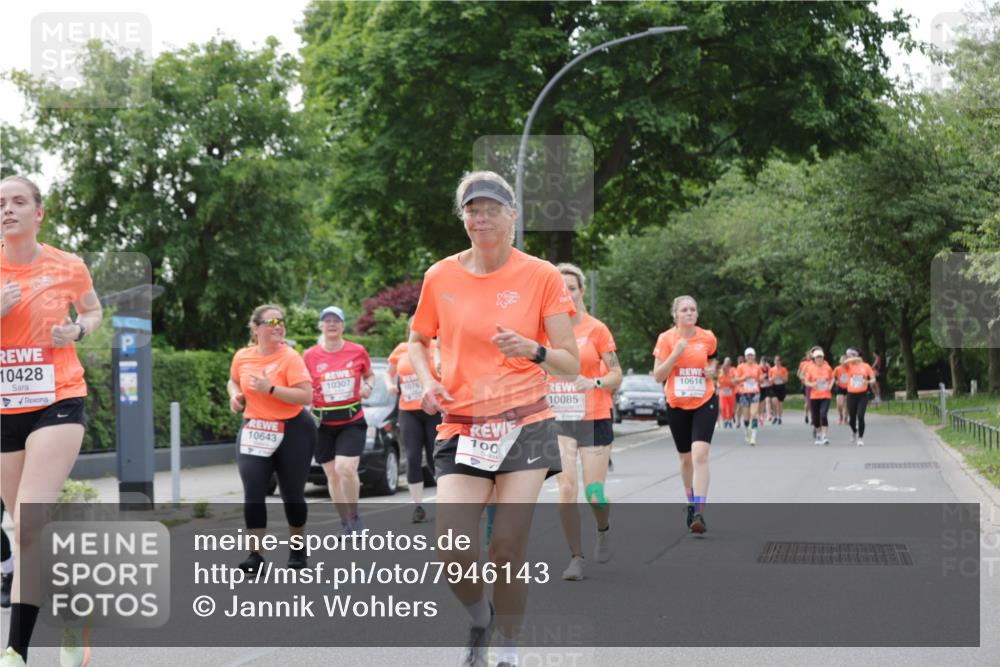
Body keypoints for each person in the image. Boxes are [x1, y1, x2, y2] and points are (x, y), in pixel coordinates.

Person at [408, 171, 578, 667]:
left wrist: (535, 349)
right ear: (463, 217)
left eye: (491, 209)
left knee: (505, 548)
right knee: (453, 548)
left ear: (512, 215)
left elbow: (571, 361)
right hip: (462, 426)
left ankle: (507, 647)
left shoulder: (541, 276)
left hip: (525, 423)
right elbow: (419, 340)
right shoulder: (440, 276)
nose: (481, 218)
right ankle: (481, 617)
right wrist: (427, 379)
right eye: (471, 210)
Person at [1, 176, 103, 667]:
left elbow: (93, 310)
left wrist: (77, 329)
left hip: (58, 399)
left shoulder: (67, 265)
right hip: (4, 408)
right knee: (26, 528)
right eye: (0, 203)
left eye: (19, 201)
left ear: (38, 213)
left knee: (29, 520)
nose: (8, 209)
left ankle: (14, 651)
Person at [228, 304, 315, 573]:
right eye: (271, 321)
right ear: (255, 328)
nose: (278, 326)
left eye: (281, 321)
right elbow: (232, 380)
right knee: (254, 491)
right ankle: (255, 555)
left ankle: (298, 548)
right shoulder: (242, 356)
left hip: (293, 430)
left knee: (292, 494)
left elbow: (306, 397)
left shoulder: (290, 357)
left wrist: (271, 389)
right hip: (255, 429)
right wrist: (235, 395)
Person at [550, 263, 622, 581]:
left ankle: (603, 529)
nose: (566, 293)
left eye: (572, 287)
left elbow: (615, 374)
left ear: (581, 291)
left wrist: (592, 383)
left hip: (594, 416)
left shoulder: (597, 329)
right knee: (566, 487)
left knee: (594, 493)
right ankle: (575, 557)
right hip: (559, 419)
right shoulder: (545, 331)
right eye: (560, 288)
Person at [303, 307, 376, 538]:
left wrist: (368, 387)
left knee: (346, 468)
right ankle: (345, 522)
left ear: (343, 326)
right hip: (323, 423)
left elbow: (370, 375)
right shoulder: (310, 355)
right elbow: (301, 383)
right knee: (332, 475)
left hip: (351, 421)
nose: (331, 324)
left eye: (336, 320)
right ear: (321, 326)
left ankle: (354, 517)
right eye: (327, 320)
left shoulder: (357, 351)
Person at [653, 296, 719, 533]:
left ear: (697, 314)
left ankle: (699, 511)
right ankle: (691, 502)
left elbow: (712, 360)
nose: (689, 313)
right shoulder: (666, 339)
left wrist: (711, 370)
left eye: (693, 309)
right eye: (684, 310)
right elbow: (658, 376)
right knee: (686, 459)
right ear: (676, 315)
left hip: (704, 400)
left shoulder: (707, 337)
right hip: (677, 404)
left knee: (700, 454)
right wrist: (676, 353)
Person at [387, 318, 442, 523]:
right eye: (413, 327)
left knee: (435, 455)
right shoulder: (401, 349)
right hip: (408, 410)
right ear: (408, 330)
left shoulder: (437, 347)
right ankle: (417, 506)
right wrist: (389, 385)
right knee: (412, 457)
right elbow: (389, 374)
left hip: (433, 410)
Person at [843, 348, 877, 446]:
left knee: (861, 416)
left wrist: (868, 381)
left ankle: (860, 438)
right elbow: (843, 363)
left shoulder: (866, 366)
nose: (849, 358)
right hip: (851, 395)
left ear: (856, 355)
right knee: (851, 419)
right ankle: (854, 431)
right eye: (849, 356)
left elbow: (873, 379)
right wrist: (851, 358)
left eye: (851, 355)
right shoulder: (849, 366)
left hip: (862, 395)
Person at [802, 348, 834, 445]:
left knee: (823, 414)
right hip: (814, 396)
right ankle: (819, 434)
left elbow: (832, 378)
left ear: (823, 358)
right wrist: (812, 385)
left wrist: (830, 386)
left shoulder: (827, 367)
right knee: (815, 417)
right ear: (814, 359)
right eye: (817, 357)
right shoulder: (810, 368)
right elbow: (806, 381)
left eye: (820, 357)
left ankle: (824, 436)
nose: (819, 359)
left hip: (825, 395)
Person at [733, 348, 763, 445]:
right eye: (748, 355)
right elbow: (735, 380)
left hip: (755, 392)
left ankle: (753, 436)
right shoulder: (740, 367)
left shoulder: (757, 367)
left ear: (754, 356)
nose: (750, 357)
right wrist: (744, 378)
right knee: (746, 417)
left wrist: (760, 379)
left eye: (752, 355)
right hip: (744, 393)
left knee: (753, 414)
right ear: (745, 357)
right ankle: (746, 430)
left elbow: (760, 379)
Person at [768, 355, 789, 424]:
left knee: (780, 403)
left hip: (781, 387)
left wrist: (781, 377)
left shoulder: (784, 369)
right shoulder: (771, 369)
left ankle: (779, 418)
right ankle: (775, 416)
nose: (777, 362)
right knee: (774, 402)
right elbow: (769, 380)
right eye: (776, 360)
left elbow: (786, 380)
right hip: (774, 387)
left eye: (778, 360)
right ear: (774, 361)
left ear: (780, 361)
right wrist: (773, 378)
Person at [717, 358, 736, 428]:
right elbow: (717, 380)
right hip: (723, 392)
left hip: (731, 391)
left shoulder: (733, 370)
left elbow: (736, 379)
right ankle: (725, 420)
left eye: (728, 362)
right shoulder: (720, 371)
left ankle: (730, 420)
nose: (727, 364)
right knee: (723, 407)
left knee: (731, 407)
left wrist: (733, 381)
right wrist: (718, 384)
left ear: (730, 363)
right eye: (726, 363)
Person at [833, 355, 849, 424]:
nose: (844, 362)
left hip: (848, 388)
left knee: (847, 405)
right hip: (839, 387)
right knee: (839, 404)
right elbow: (832, 377)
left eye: (846, 361)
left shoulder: (850, 368)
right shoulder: (837, 368)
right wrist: (835, 381)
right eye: (843, 361)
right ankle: (840, 416)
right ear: (841, 361)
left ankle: (845, 418)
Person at [759, 357, 772, 424]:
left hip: (767, 387)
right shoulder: (758, 368)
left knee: (768, 400)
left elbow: (771, 376)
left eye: (765, 362)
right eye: (762, 362)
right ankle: (761, 415)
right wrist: (763, 377)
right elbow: (758, 378)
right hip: (760, 387)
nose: (764, 363)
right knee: (761, 402)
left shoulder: (769, 368)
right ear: (761, 362)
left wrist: (769, 377)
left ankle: (768, 414)